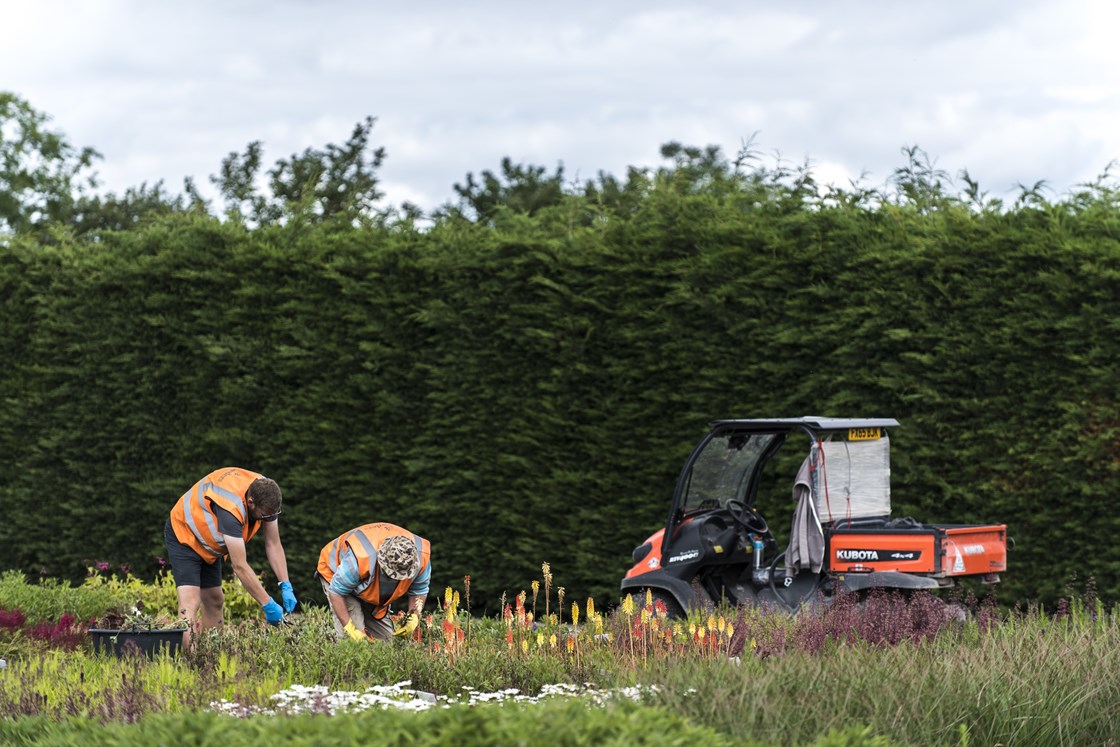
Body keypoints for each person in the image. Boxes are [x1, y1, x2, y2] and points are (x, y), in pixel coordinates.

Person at [165, 467, 298, 644]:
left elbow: (273, 543)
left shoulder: (266, 492)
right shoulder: (230, 509)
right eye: (265, 515)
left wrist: (285, 583)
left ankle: (210, 656)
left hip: (209, 544)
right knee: (190, 603)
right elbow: (239, 567)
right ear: (250, 502)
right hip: (185, 535)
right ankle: (190, 662)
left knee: (215, 600)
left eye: (273, 514)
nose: (269, 519)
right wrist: (268, 604)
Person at [317, 522, 431, 642]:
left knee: (386, 641)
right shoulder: (360, 558)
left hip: (367, 586)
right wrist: (349, 628)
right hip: (336, 573)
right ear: (382, 561)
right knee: (354, 642)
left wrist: (414, 616)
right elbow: (336, 592)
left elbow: (420, 590)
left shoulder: (420, 558)